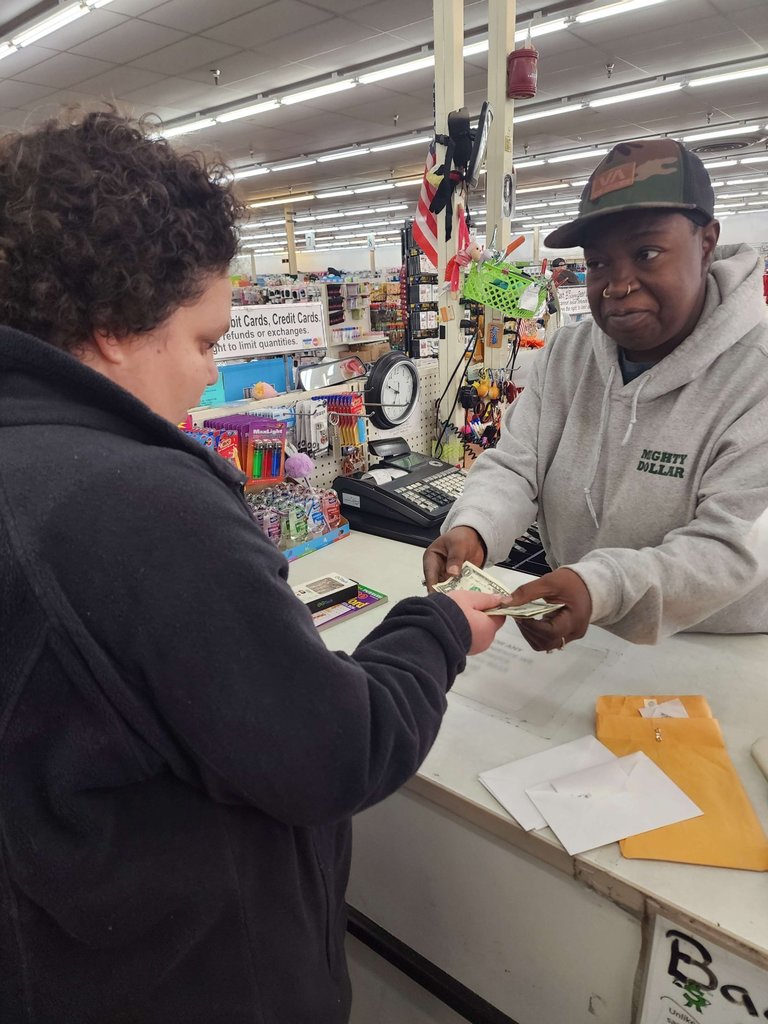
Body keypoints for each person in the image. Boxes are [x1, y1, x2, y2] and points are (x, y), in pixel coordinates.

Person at [0, 111, 505, 1023]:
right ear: (115, 323)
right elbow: (333, 752)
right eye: (202, 341)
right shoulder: (138, 500)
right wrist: (437, 628)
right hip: (191, 976)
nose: (207, 378)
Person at [425, 138, 768, 650]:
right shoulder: (569, 353)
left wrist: (598, 585)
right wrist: (475, 529)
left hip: (716, 647)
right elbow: (517, 464)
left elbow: (732, 544)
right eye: (599, 263)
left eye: (647, 253)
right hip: (586, 625)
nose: (617, 284)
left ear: (707, 242)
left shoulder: (755, 378)